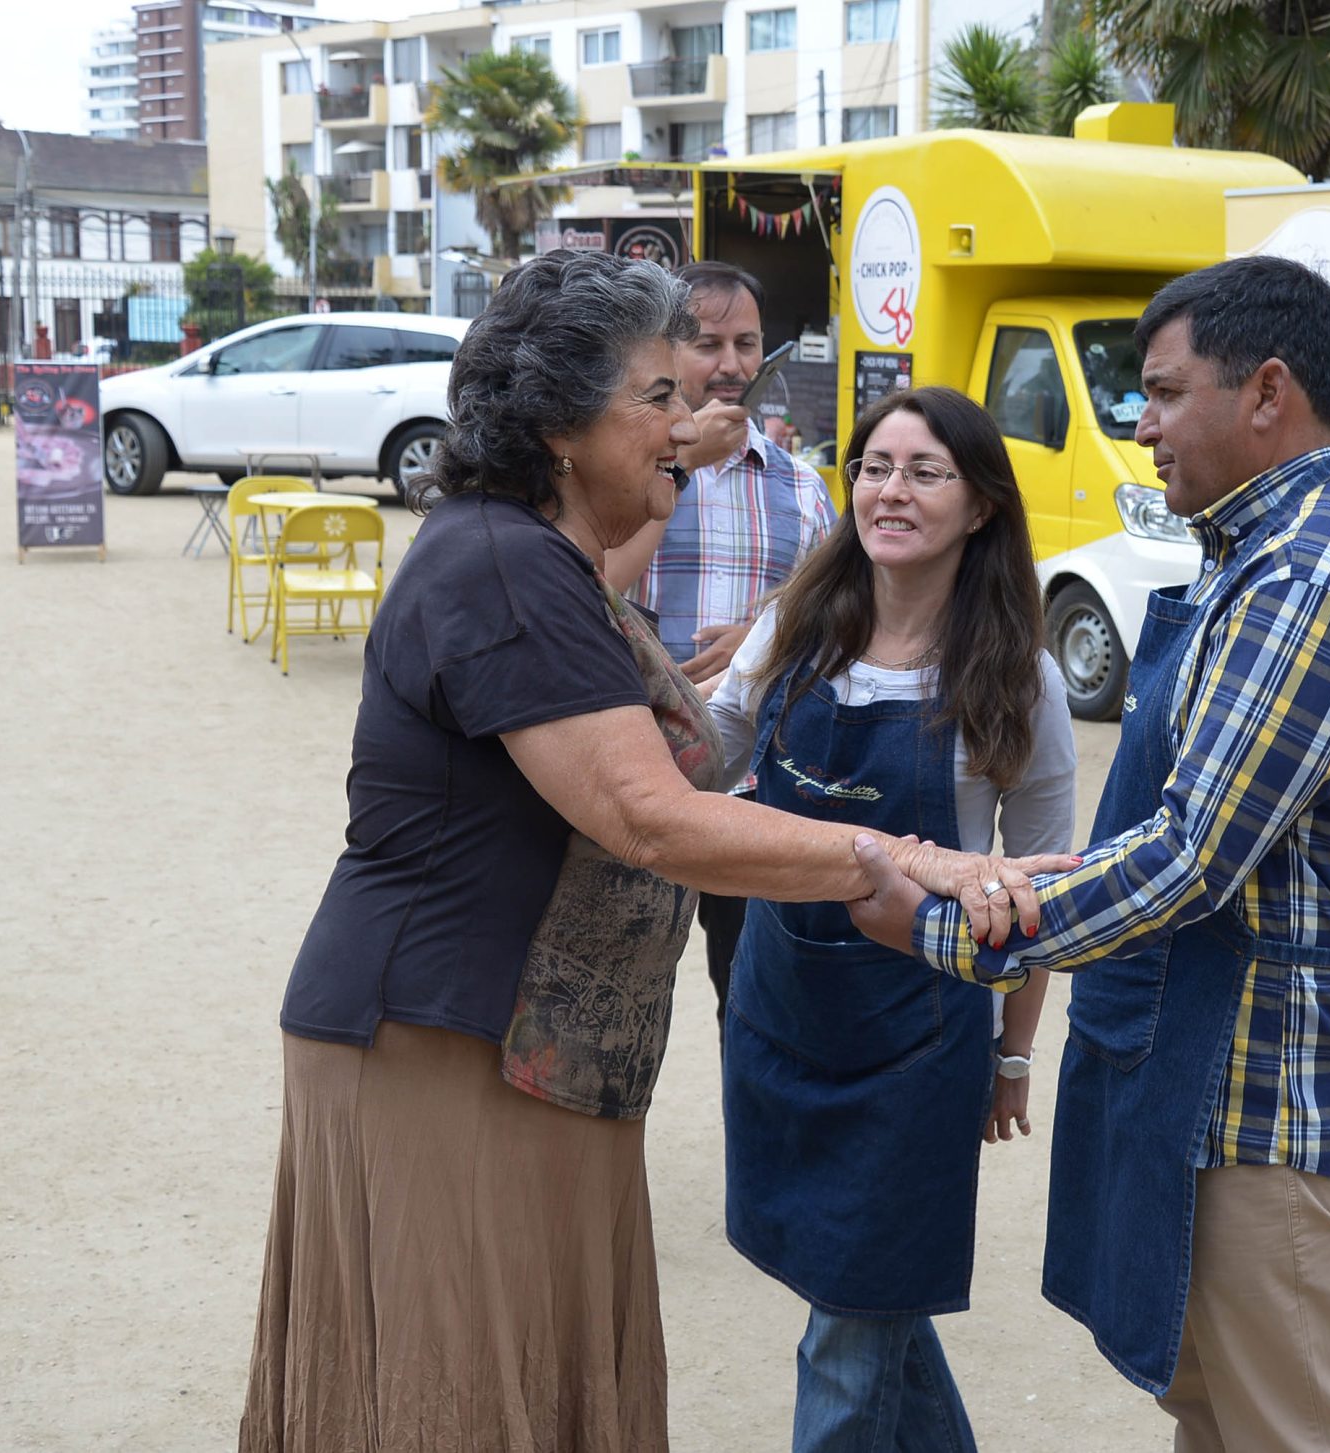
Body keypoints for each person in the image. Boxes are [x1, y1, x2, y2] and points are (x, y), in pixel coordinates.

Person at [238, 250, 1065, 1453]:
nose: (689, 422)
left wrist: (1011, 1048)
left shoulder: (550, 560)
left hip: (528, 1047)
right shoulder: (506, 570)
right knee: (458, 1383)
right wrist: (913, 856)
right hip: (444, 1032)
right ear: (562, 425)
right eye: (658, 398)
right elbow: (651, 814)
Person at [849, 254, 1330, 1451]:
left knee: (1295, 1430)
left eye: (1165, 393)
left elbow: (1183, 862)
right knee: (1224, 1423)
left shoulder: (1305, 581)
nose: (1142, 422)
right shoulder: (1270, 547)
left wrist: (947, 925)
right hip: (1228, 1082)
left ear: (1265, 391)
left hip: (1270, 1098)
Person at [707, 386, 1077, 1450]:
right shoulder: (792, 629)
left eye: (924, 471)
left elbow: (1038, 888)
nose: (890, 490)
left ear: (980, 507)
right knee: (872, 1305)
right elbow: (705, 761)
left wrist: (1012, 1057)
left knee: (850, 1328)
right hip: (780, 1014)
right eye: (874, 465)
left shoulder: (1021, 682)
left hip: (916, 1046)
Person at [608, 260, 839, 1023]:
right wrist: (675, 464)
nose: (733, 365)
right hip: (636, 781)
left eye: (747, 342)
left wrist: (769, 630)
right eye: (708, 344)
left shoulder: (800, 487)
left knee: (749, 1002)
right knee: (614, 1004)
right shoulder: (621, 480)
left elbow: (845, 623)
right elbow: (586, 587)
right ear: (667, 353)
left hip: (752, 791)